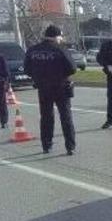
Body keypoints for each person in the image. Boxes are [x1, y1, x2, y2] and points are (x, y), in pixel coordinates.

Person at [24, 25, 77, 155]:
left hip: (43, 88)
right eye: (60, 37)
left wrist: (38, 77)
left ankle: (46, 146)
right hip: (61, 87)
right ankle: (70, 146)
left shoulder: (33, 50)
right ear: (56, 36)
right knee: (66, 117)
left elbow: (27, 69)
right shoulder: (60, 49)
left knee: (46, 117)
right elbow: (72, 68)